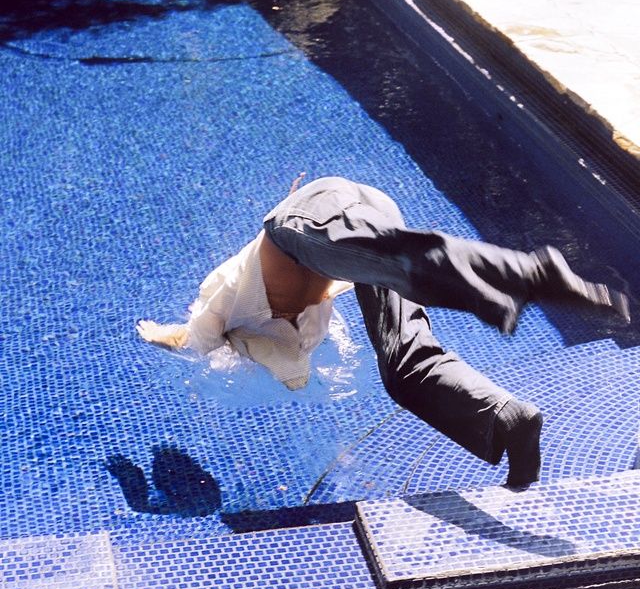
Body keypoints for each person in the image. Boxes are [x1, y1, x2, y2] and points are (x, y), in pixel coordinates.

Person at [137, 175, 629, 487]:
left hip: (303, 225)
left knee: (399, 262)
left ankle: (535, 273)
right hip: (357, 230)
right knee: (404, 365)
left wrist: (158, 334)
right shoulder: (297, 337)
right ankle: (506, 416)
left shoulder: (220, 303)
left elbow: (188, 339)